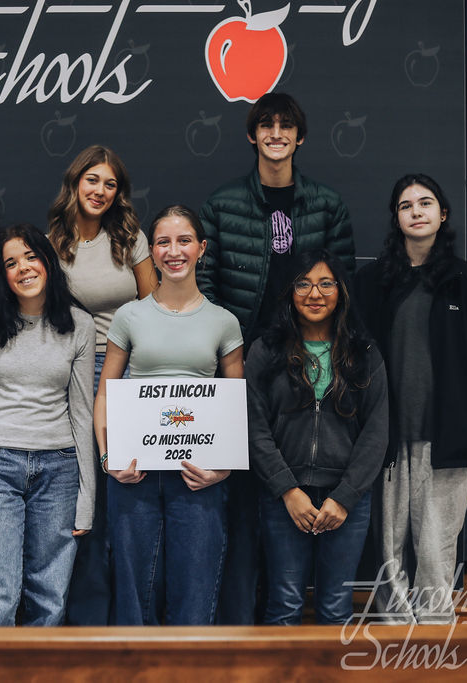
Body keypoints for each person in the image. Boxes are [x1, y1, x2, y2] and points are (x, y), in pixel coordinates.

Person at [197, 92, 355, 624]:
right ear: (252, 135)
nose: (277, 133)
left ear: (300, 137)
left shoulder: (327, 205)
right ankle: (240, 622)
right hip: (243, 360)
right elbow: (207, 285)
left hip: (308, 361)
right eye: (266, 125)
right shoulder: (222, 205)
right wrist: (227, 354)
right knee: (242, 496)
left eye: (287, 125)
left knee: (297, 479)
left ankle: (297, 615)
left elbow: (343, 285)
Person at [354, 174, 467, 624]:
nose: (416, 211)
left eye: (426, 202)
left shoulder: (466, 283)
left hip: (446, 437)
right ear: (396, 218)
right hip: (388, 437)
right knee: (388, 544)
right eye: (406, 205)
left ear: (443, 214)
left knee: (436, 541)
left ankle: (435, 628)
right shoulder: (373, 282)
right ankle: (395, 628)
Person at [95, 205, 243, 625]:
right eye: (163, 242)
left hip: (198, 477)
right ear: (152, 251)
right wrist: (110, 460)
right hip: (135, 476)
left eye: (183, 241)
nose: (173, 251)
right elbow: (106, 391)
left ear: (202, 249)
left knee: (195, 602)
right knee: (133, 603)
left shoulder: (224, 322)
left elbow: (236, 402)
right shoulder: (129, 316)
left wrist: (224, 470)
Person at [0, 224, 95, 626]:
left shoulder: (80, 324)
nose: (23, 268)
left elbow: (82, 411)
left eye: (31, 256)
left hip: (59, 466)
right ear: (2, 275)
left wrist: (87, 494)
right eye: (11, 263)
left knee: (50, 598)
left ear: (48, 261)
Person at [246, 250, 388, 624]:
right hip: (284, 499)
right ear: (289, 292)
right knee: (284, 605)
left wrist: (345, 497)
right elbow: (254, 428)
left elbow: (376, 432)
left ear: (341, 291)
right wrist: (288, 491)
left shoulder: (365, 354)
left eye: (326, 283)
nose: (315, 293)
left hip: (346, 502)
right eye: (303, 283)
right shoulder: (265, 351)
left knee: (335, 610)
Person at [47, 145, 157, 625]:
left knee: (127, 490)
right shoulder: (52, 240)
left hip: (127, 372)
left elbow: (152, 306)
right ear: (75, 183)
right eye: (93, 180)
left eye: (110, 184)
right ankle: (87, 616)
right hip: (70, 372)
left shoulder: (129, 237)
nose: (101, 191)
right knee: (82, 489)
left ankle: (133, 616)